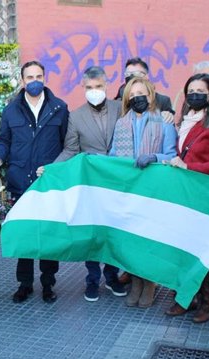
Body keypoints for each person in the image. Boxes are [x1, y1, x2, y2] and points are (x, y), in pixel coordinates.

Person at [0, 61, 69, 303]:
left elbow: (67, 145)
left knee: (48, 235)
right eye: (29, 76)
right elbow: (3, 141)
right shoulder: (11, 110)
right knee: (24, 233)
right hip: (20, 182)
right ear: (22, 81)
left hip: (47, 183)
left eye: (39, 76)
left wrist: (56, 169)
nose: (34, 80)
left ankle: (48, 284)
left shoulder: (59, 108)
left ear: (45, 78)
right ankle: (24, 284)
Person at [52, 66, 125, 302]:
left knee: (114, 232)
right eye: (90, 88)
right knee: (93, 234)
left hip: (117, 184)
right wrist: (52, 168)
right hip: (92, 185)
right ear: (84, 88)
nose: (95, 91)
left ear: (107, 86)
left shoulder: (121, 108)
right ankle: (92, 281)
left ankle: (112, 277)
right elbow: (71, 149)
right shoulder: (76, 115)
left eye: (99, 87)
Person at [165, 73, 209, 323]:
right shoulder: (183, 122)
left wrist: (188, 168)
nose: (194, 95)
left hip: (206, 197)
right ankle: (186, 297)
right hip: (185, 196)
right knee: (183, 248)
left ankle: (208, 302)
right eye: (190, 90)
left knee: (206, 251)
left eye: (200, 90)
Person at [108, 77, 177, 308]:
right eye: (133, 93)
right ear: (127, 98)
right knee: (131, 239)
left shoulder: (164, 122)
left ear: (151, 95)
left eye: (142, 93)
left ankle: (149, 284)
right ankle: (135, 281)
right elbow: (113, 155)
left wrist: (154, 157)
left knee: (150, 238)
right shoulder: (121, 124)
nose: (138, 97)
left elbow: (171, 155)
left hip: (154, 191)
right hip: (129, 190)